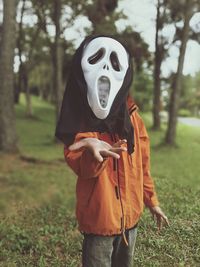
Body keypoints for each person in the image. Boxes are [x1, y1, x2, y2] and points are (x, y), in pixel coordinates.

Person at [55, 35, 169, 267]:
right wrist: (92, 150)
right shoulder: (82, 123)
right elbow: (83, 169)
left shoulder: (134, 119)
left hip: (130, 222)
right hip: (99, 225)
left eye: (115, 62)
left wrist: (152, 201)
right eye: (96, 58)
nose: (106, 67)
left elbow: (143, 167)